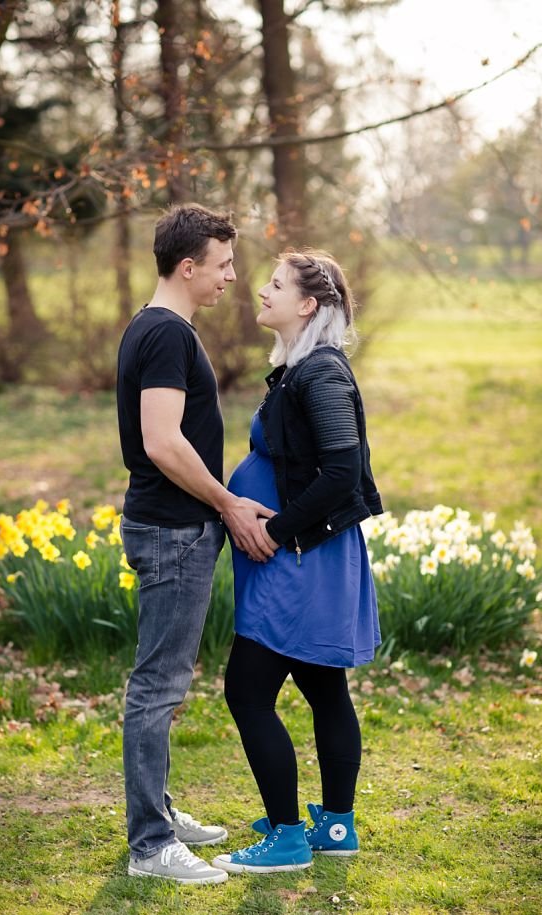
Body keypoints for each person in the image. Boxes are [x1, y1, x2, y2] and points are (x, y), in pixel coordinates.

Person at [117, 204, 277, 885]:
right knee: (157, 686)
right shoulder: (166, 336)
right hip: (175, 531)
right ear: (188, 266)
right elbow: (161, 441)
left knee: (161, 682)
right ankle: (152, 844)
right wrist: (227, 501)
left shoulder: (154, 329)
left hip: (177, 528)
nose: (231, 278)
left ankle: (158, 811)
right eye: (222, 265)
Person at [210, 249, 383, 875]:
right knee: (322, 686)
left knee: (247, 692)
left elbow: (342, 473)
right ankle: (335, 826)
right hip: (301, 556)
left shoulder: (322, 374)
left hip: (301, 559)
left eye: (276, 285)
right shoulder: (299, 370)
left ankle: (285, 837)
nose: (261, 290)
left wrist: (276, 532)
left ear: (308, 304)